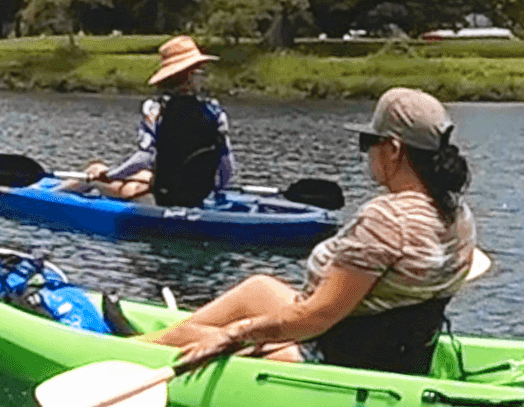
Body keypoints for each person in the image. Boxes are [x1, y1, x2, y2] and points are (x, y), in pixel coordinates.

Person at [139, 87, 476, 375]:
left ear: (394, 149)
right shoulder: (459, 215)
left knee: (194, 339)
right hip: (403, 354)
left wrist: (234, 334)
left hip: (337, 358)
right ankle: (155, 336)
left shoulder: (386, 220)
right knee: (257, 289)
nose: (366, 153)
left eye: (367, 142)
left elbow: (317, 317)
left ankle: (133, 348)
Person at [59, 35, 233, 206]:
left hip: (158, 199)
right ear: (189, 77)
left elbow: (145, 157)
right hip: (197, 197)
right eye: (199, 72)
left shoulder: (155, 110)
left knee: (95, 170)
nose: (203, 77)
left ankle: (50, 197)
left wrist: (111, 176)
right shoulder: (216, 112)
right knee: (142, 174)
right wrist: (217, 190)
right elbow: (227, 166)